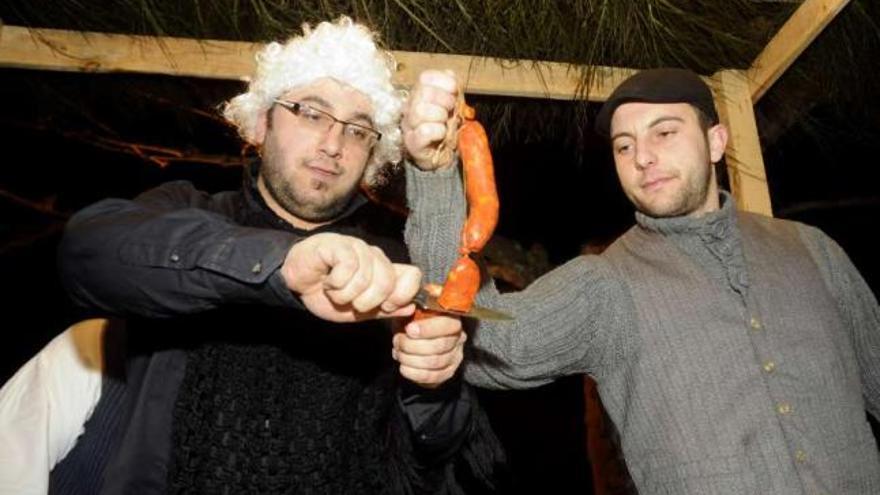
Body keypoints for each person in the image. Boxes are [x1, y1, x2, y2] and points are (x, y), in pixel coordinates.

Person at [13, 17, 504, 494]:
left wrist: (431, 385)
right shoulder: (185, 210)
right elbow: (87, 253)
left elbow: (440, 452)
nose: (333, 144)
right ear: (263, 121)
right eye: (311, 113)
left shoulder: (392, 270)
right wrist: (281, 264)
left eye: (357, 130)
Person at [397, 67, 880, 493]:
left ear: (715, 141)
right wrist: (435, 174)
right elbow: (485, 339)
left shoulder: (811, 249)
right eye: (624, 145)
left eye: (664, 133)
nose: (642, 157)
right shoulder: (606, 285)